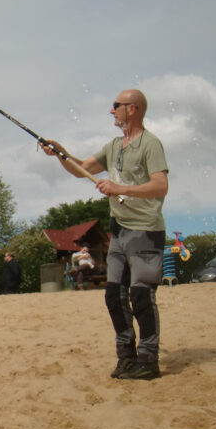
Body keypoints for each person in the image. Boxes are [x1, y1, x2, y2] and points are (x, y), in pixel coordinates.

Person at [41, 88, 168, 380]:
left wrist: (119, 188)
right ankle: (126, 357)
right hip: (118, 232)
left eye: (116, 106)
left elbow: (160, 186)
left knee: (142, 296)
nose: (112, 111)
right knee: (114, 295)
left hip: (146, 232)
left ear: (133, 109)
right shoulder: (114, 146)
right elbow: (81, 168)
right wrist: (59, 152)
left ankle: (149, 360)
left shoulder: (151, 144)